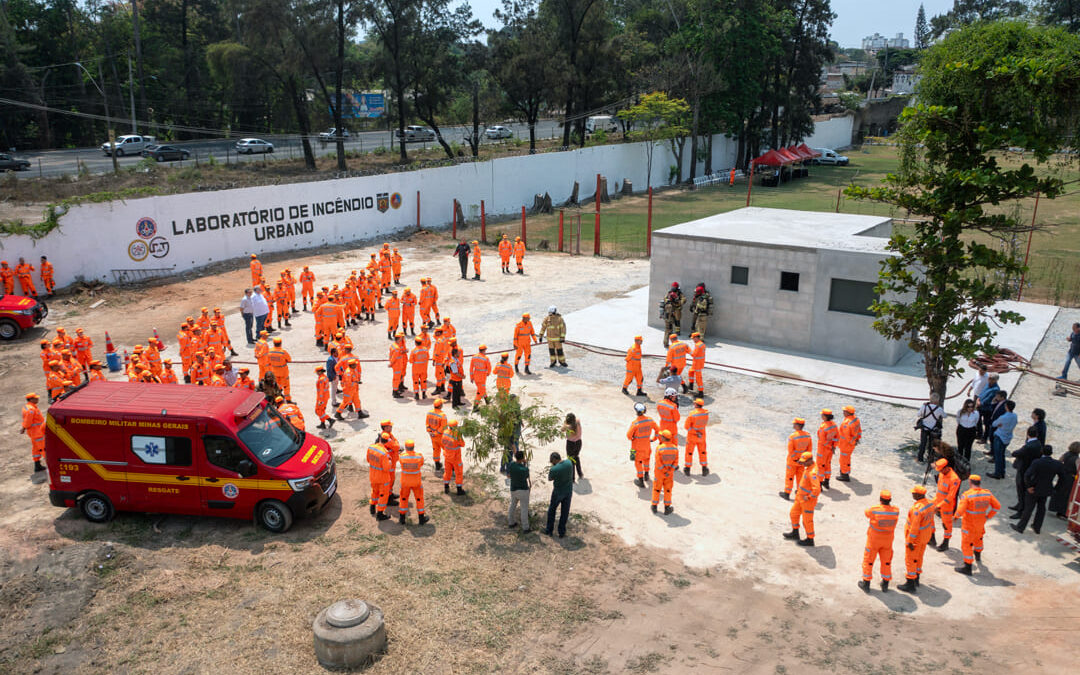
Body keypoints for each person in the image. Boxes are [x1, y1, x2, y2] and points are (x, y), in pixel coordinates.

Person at [953, 475, 1000, 575]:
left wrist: (955, 517)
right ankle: (978, 556)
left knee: (967, 544)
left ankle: (967, 567)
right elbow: (997, 506)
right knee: (978, 539)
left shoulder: (967, 495)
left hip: (969, 524)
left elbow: (961, 510)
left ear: (970, 482)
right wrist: (988, 516)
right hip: (981, 522)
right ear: (979, 483)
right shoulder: (987, 493)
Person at [1013, 445, 1065, 534]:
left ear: (1042, 452)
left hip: (1034, 488)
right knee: (1041, 509)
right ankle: (1037, 527)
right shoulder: (1057, 464)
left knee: (1028, 509)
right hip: (1046, 489)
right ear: (1051, 453)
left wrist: (1028, 486)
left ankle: (1020, 527)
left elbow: (1027, 475)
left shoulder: (1037, 462)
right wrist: (1055, 488)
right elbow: (1062, 478)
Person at [897, 485, 937, 594]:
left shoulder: (917, 509)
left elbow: (914, 528)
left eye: (914, 493)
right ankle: (916, 579)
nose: (912, 494)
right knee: (919, 557)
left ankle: (910, 584)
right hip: (925, 536)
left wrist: (910, 541)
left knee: (911, 559)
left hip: (916, 539)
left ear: (919, 495)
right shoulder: (930, 504)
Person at [859, 490, 900, 593]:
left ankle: (866, 583)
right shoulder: (896, 510)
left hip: (874, 540)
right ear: (890, 500)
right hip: (888, 541)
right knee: (886, 562)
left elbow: (866, 513)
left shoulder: (874, 509)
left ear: (880, 499)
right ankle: (885, 584)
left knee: (869, 560)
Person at [783, 452, 820, 546]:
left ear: (810, 460)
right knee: (793, 513)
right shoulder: (809, 467)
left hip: (807, 501)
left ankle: (810, 540)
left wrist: (809, 497)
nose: (802, 464)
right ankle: (795, 533)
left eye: (804, 462)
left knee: (807, 520)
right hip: (800, 498)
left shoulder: (812, 473)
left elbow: (817, 489)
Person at [1009, 425, 1043, 512]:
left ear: (1028, 434)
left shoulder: (1028, 446)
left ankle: (1021, 507)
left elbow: (1015, 453)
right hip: (1030, 468)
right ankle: (1020, 504)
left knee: (1021, 488)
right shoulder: (1038, 444)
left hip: (1023, 468)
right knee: (1022, 489)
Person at [932, 458, 961, 551]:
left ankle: (946, 542)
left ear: (946, 468)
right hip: (937, 500)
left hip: (947, 505)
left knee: (946, 524)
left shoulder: (954, 479)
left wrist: (939, 506)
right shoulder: (942, 474)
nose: (940, 472)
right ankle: (931, 537)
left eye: (941, 470)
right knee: (928, 514)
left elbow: (950, 497)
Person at [628, 402, 659, 487]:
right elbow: (658, 430)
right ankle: (646, 475)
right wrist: (654, 439)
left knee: (638, 463)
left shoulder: (635, 423)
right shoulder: (650, 420)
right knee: (646, 460)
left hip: (636, 447)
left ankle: (640, 480)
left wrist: (633, 439)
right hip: (647, 446)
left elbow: (629, 436)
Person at [398, 440, 429, 525]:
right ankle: (421, 519)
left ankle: (402, 519)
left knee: (403, 499)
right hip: (416, 482)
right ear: (413, 447)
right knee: (419, 499)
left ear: (405, 447)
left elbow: (400, 461)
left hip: (405, 482)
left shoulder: (402, 457)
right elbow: (421, 464)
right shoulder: (419, 456)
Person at [781, 417, 813, 499]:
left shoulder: (793, 436)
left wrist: (795, 459)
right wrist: (804, 460)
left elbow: (790, 450)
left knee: (790, 477)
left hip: (793, 461)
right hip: (802, 461)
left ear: (797, 425)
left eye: (794, 424)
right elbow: (809, 450)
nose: (793, 425)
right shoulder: (808, 435)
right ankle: (800, 493)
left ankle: (787, 493)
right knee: (800, 478)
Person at [545, 451, 574, 537]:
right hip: (568, 491)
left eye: (552, 461)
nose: (552, 463)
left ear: (554, 460)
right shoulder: (569, 463)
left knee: (552, 510)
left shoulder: (554, 469)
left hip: (558, 492)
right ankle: (561, 532)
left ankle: (549, 530)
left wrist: (554, 468)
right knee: (565, 512)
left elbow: (550, 479)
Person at [651, 430, 679, 515]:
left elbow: (658, 462)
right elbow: (676, 462)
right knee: (668, 490)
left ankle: (654, 506)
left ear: (663, 438)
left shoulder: (659, 448)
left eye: (661, 436)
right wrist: (669, 471)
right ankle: (667, 508)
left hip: (659, 473)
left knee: (657, 489)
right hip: (669, 474)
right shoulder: (675, 448)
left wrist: (663, 470)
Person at [989, 400, 1018, 479]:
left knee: (998, 456)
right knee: (1002, 455)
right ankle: (1002, 472)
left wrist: (999, 425)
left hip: (1000, 436)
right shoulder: (1015, 416)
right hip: (1008, 437)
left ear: (1006, 407)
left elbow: (994, 424)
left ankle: (997, 473)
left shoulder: (1003, 417)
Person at [1051, 441, 1079, 518]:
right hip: (1070, 478)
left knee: (1060, 492)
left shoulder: (1066, 454)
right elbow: (1078, 469)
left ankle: (1056, 508)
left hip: (1063, 475)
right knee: (1066, 495)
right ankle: (1062, 512)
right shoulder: (1077, 459)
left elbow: (1059, 461)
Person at [367, 433, 392, 521]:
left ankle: (372, 507)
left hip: (373, 476)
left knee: (374, 492)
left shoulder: (371, 447)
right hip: (382, 479)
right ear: (387, 442)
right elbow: (386, 468)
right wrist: (390, 461)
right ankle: (380, 514)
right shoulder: (384, 453)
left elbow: (368, 460)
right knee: (383, 495)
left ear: (380, 439)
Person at [683, 398, 709, 475]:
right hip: (702, 436)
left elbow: (687, 426)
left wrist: (695, 432)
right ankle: (704, 468)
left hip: (692, 437)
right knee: (703, 452)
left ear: (696, 405)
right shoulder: (705, 413)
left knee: (689, 452)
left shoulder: (692, 414)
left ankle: (687, 469)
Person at [915, 393, 944, 463]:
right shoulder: (939, 409)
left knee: (923, 443)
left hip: (924, 427)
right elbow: (945, 415)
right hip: (933, 429)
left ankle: (920, 458)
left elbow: (918, 414)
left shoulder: (924, 407)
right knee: (932, 444)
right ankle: (930, 458)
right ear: (937, 400)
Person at [22, 392, 46, 474]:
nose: (37, 399)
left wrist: (24, 428)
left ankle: (37, 465)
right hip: (37, 432)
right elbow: (28, 422)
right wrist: (24, 427)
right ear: (31, 399)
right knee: (43, 449)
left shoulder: (27, 407)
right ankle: (51, 466)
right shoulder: (31, 410)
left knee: (36, 449)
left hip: (33, 433)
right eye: (36, 398)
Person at [507, 450, 531, 532]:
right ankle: (525, 527)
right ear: (523, 458)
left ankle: (511, 522)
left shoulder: (512, 465)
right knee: (524, 508)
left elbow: (509, 475)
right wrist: (525, 464)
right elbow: (527, 476)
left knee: (512, 505)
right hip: (523, 490)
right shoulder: (524, 469)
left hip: (513, 489)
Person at [836, 405, 861, 482]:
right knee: (847, 458)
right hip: (851, 444)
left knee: (844, 460)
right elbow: (859, 431)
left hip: (846, 445)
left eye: (844, 411)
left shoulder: (847, 423)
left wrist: (852, 442)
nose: (843, 412)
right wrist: (857, 440)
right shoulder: (856, 419)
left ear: (848, 413)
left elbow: (847, 437)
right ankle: (845, 472)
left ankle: (844, 475)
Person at [441, 419, 466, 494]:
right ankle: (459, 490)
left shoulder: (445, 432)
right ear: (455, 427)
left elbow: (443, 442)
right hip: (456, 458)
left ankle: (446, 487)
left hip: (447, 456)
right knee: (458, 473)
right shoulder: (457, 435)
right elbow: (463, 444)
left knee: (447, 472)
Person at [816, 409, 838, 490]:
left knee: (820, 466)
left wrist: (828, 446)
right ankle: (826, 482)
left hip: (823, 450)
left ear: (825, 417)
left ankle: (819, 484)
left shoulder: (823, 426)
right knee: (828, 464)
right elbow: (837, 437)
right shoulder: (834, 425)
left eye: (822, 415)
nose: (821, 416)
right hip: (830, 450)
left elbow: (822, 440)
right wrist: (833, 446)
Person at [976, 375, 1001, 443]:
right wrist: (978, 399)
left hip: (987, 409)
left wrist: (981, 403)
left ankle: (984, 438)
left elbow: (989, 398)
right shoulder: (988, 384)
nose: (989, 379)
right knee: (978, 419)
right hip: (980, 406)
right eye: (989, 378)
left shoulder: (996, 389)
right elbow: (982, 392)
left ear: (995, 380)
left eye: (991, 378)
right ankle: (979, 433)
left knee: (987, 424)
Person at [426, 399, 447, 471]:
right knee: (447, 450)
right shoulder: (442, 415)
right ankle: (451, 466)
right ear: (440, 406)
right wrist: (436, 433)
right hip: (441, 436)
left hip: (432, 436)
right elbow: (443, 427)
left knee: (436, 450)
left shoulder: (429, 413)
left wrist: (430, 432)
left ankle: (437, 465)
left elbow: (427, 424)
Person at [662, 282, 685, 347]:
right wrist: (669, 300)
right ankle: (668, 342)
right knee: (668, 329)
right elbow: (665, 299)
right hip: (669, 312)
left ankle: (677, 332)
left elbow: (683, 300)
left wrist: (677, 301)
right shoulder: (669, 293)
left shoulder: (680, 293)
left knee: (677, 321)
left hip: (676, 310)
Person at [564, 413, 583, 479]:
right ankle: (580, 474)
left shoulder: (568, 427)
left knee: (571, 459)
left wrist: (565, 423)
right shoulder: (578, 422)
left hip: (570, 444)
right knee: (576, 457)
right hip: (578, 443)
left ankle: (572, 478)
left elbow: (562, 429)